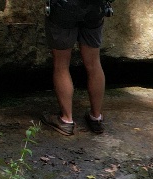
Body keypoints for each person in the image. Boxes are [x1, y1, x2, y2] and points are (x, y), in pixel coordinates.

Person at [43, 0, 109, 136]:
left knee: (61, 65)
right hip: (95, 8)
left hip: (63, 8)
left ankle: (66, 120)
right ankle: (96, 118)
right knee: (94, 63)